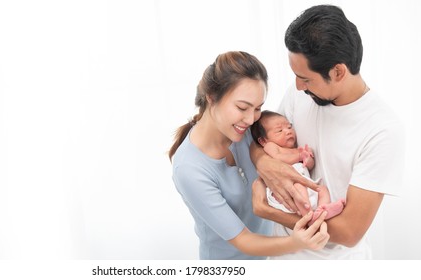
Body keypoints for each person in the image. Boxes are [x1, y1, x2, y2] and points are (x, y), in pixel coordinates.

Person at [250, 5, 405, 259]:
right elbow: (260, 140)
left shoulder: (382, 130)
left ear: (338, 71)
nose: (298, 86)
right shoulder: (301, 93)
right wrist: (264, 162)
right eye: (296, 76)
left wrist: (269, 211)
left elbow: (349, 231)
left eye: (306, 79)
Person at [169, 51, 329, 260]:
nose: (250, 118)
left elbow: (262, 148)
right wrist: (295, 243)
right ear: (211, 97)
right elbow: (243, 239)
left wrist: (262, 160)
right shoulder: (189, 169)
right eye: (242, 107)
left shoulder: (246, 131)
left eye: (258, 108)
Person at [250, 110, 345, 225]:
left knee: (322, 189)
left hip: (305, 184)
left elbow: (309, 166)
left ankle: (322, 209)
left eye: (289, 127)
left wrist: (308, 159)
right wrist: (299, 156)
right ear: (263, 140)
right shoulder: (271, 147)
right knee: (299, 188)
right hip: (286, 189)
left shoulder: (296, 149)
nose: (288, 132)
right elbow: (278, 159)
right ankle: (308, 215)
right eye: (279, 130)